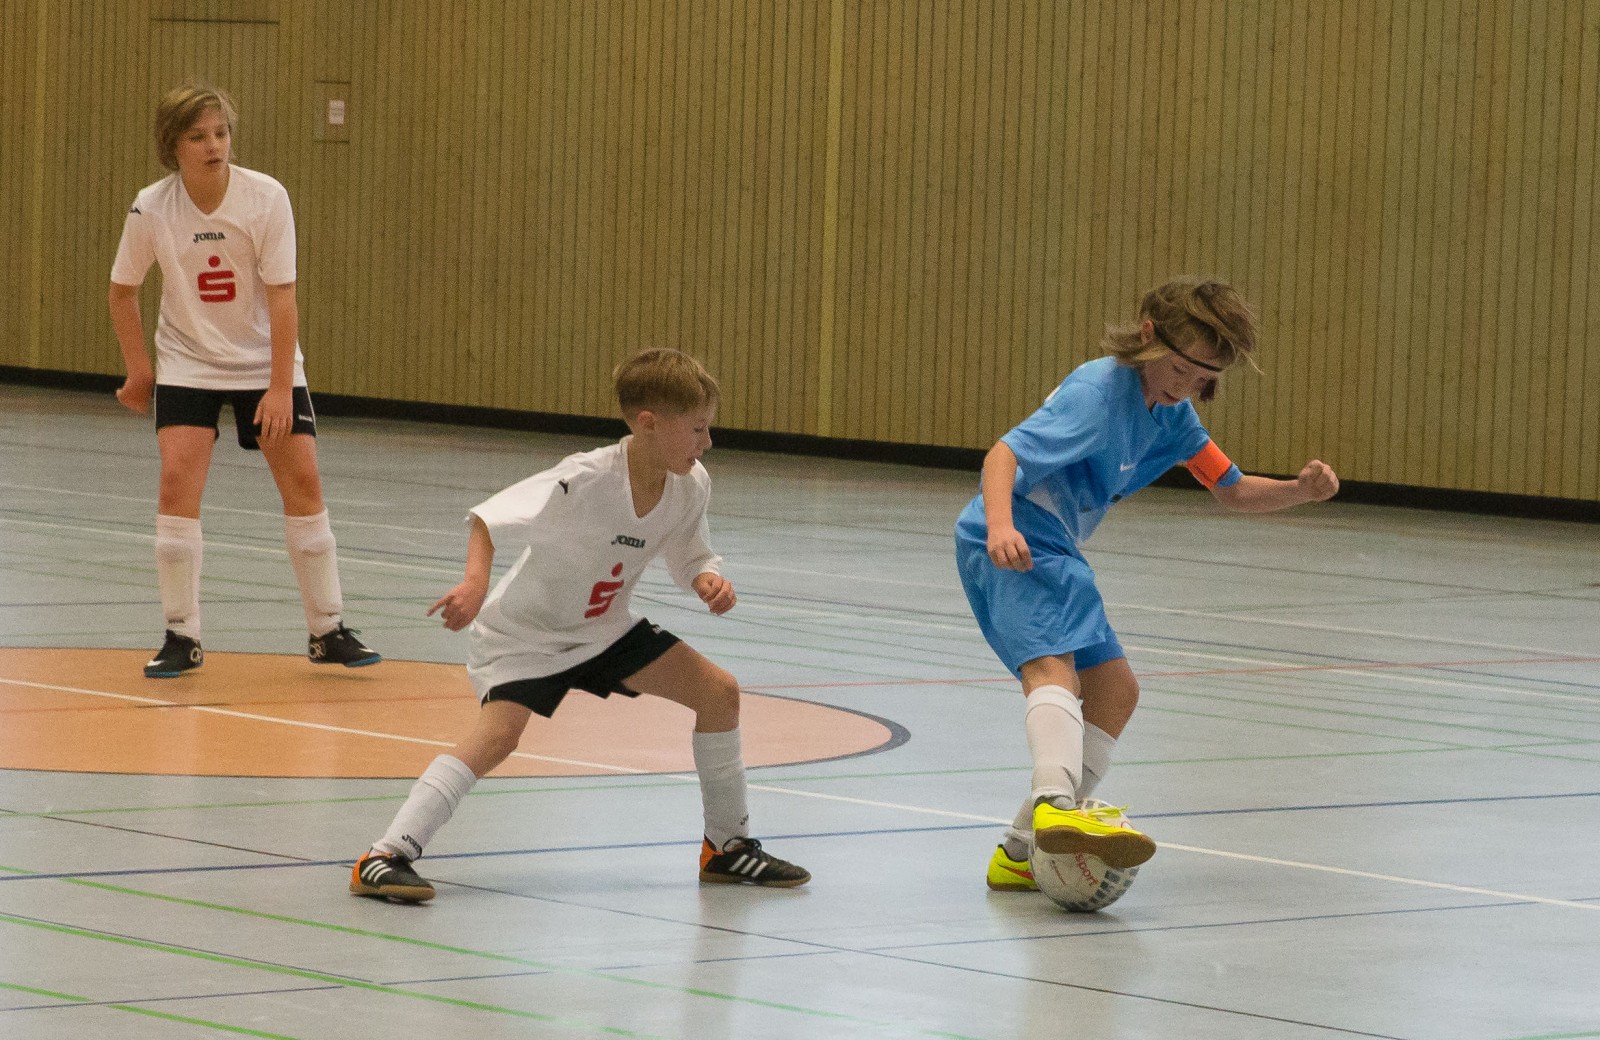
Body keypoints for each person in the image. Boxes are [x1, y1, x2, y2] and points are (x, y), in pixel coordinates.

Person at [349, 348, 809, 902]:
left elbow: (691, 553)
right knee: (498, 736)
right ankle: (384, 855)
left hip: (604, 629)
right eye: (698, 428)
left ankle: (727, 848)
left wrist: (706, 578)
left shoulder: (691, 483)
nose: (707, 442)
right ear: (649, 424)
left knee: (719, 693)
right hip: (524, 638)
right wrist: (473, 585)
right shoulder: (584, 478)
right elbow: (488, 516)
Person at [956, 277, 1340, 892]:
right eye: (1182, 365)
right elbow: (1004, 454)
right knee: (1051, 668)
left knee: (1116, 691)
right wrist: (1000, 524)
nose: (1188, 383)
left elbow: (1232, 488)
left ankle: (1021, 852)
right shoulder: (1097, 391)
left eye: (1205, 375)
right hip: (1013, 537)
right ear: (1147, 335)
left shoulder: (1174, 418)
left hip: (1057, 545)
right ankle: (1055, 804)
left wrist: (1300, 491)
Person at [109, 84, 380, 678]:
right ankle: (182, 636)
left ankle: (327, 629)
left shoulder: (265, 197)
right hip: (187, 362)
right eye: (198, 136)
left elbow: (283, 296)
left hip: (264, 364)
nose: (214, 146)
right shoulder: (152, 207)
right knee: (177, 482)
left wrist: (281, 387)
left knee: (302, 481)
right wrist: (140, 369)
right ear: (173, 146)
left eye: (221, 133)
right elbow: (122, 291)